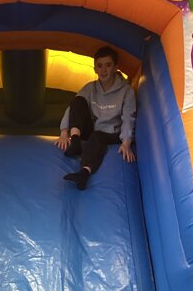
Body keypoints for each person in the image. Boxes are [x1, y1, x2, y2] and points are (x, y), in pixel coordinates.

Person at [56, 46, 136, 190]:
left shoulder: (126, 91)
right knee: (78, 100)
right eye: (99, 66)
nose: (104, 70)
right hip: (93, 130)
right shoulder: (90, 88)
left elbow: (128, 117)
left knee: (97, 136)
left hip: (112, 134)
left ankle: (84, 173)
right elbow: (74, 108)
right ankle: (75, 141)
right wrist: (64, 132)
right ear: (95, 69)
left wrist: (126, 142)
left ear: (116, 67)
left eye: (108, 65)